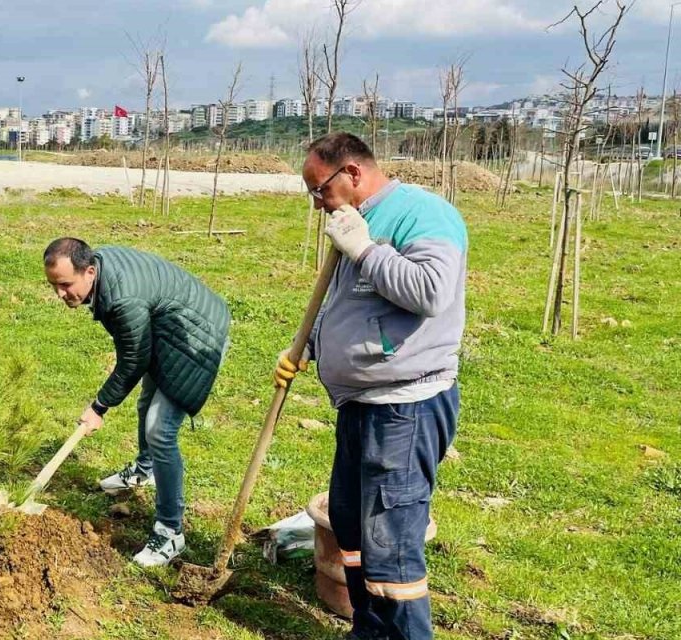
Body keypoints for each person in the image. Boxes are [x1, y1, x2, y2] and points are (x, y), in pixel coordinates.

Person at [275, 132, 467, 640]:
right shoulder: (352, 220)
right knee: (352, 527)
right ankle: (369, 631)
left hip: (405, 407)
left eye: (320, 190)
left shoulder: (423, 215)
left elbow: (430, 291)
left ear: (353, 173)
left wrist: (362, 249)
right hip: (362, 405)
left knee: (391, 546)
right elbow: (351, 305)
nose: (317, 204)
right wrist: (310, 345)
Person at [43, 238, 230, 567]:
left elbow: (133, 358)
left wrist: (99, 407)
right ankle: (145, 470)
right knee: (146, 402)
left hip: (198, 334)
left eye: (65, 285)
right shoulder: (102, 271)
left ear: (89, 271)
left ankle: (171, 531)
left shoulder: (123, 299)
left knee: (160, 428)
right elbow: (137, 351)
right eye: (54, 286)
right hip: (171, 326)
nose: (59, 295)